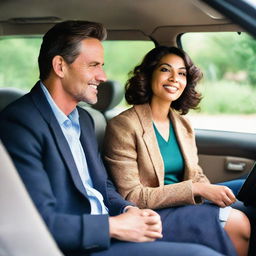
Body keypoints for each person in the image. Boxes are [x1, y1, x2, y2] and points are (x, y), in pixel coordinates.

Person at [0, 21, 226, 256]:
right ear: (60, 66)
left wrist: (128, 210)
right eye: (94, 65)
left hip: (111, 228)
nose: (103, 76)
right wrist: (115, 226)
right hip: (76, 244)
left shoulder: (85, 120)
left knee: (208, 242)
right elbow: (35, 224)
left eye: (102, 66)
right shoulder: (19, 123)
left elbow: (102, 185)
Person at [103, 46, 251, 256]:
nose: (174, 78)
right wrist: (197, 190)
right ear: (148, 74)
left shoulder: (183, 124)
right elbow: (132, 195)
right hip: (153, 212)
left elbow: (196, 174)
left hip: (185, 202)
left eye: (182, 73)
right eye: (165, 70)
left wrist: (209, 192)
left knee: (247, 194)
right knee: (238, 222)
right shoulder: (124, 126)